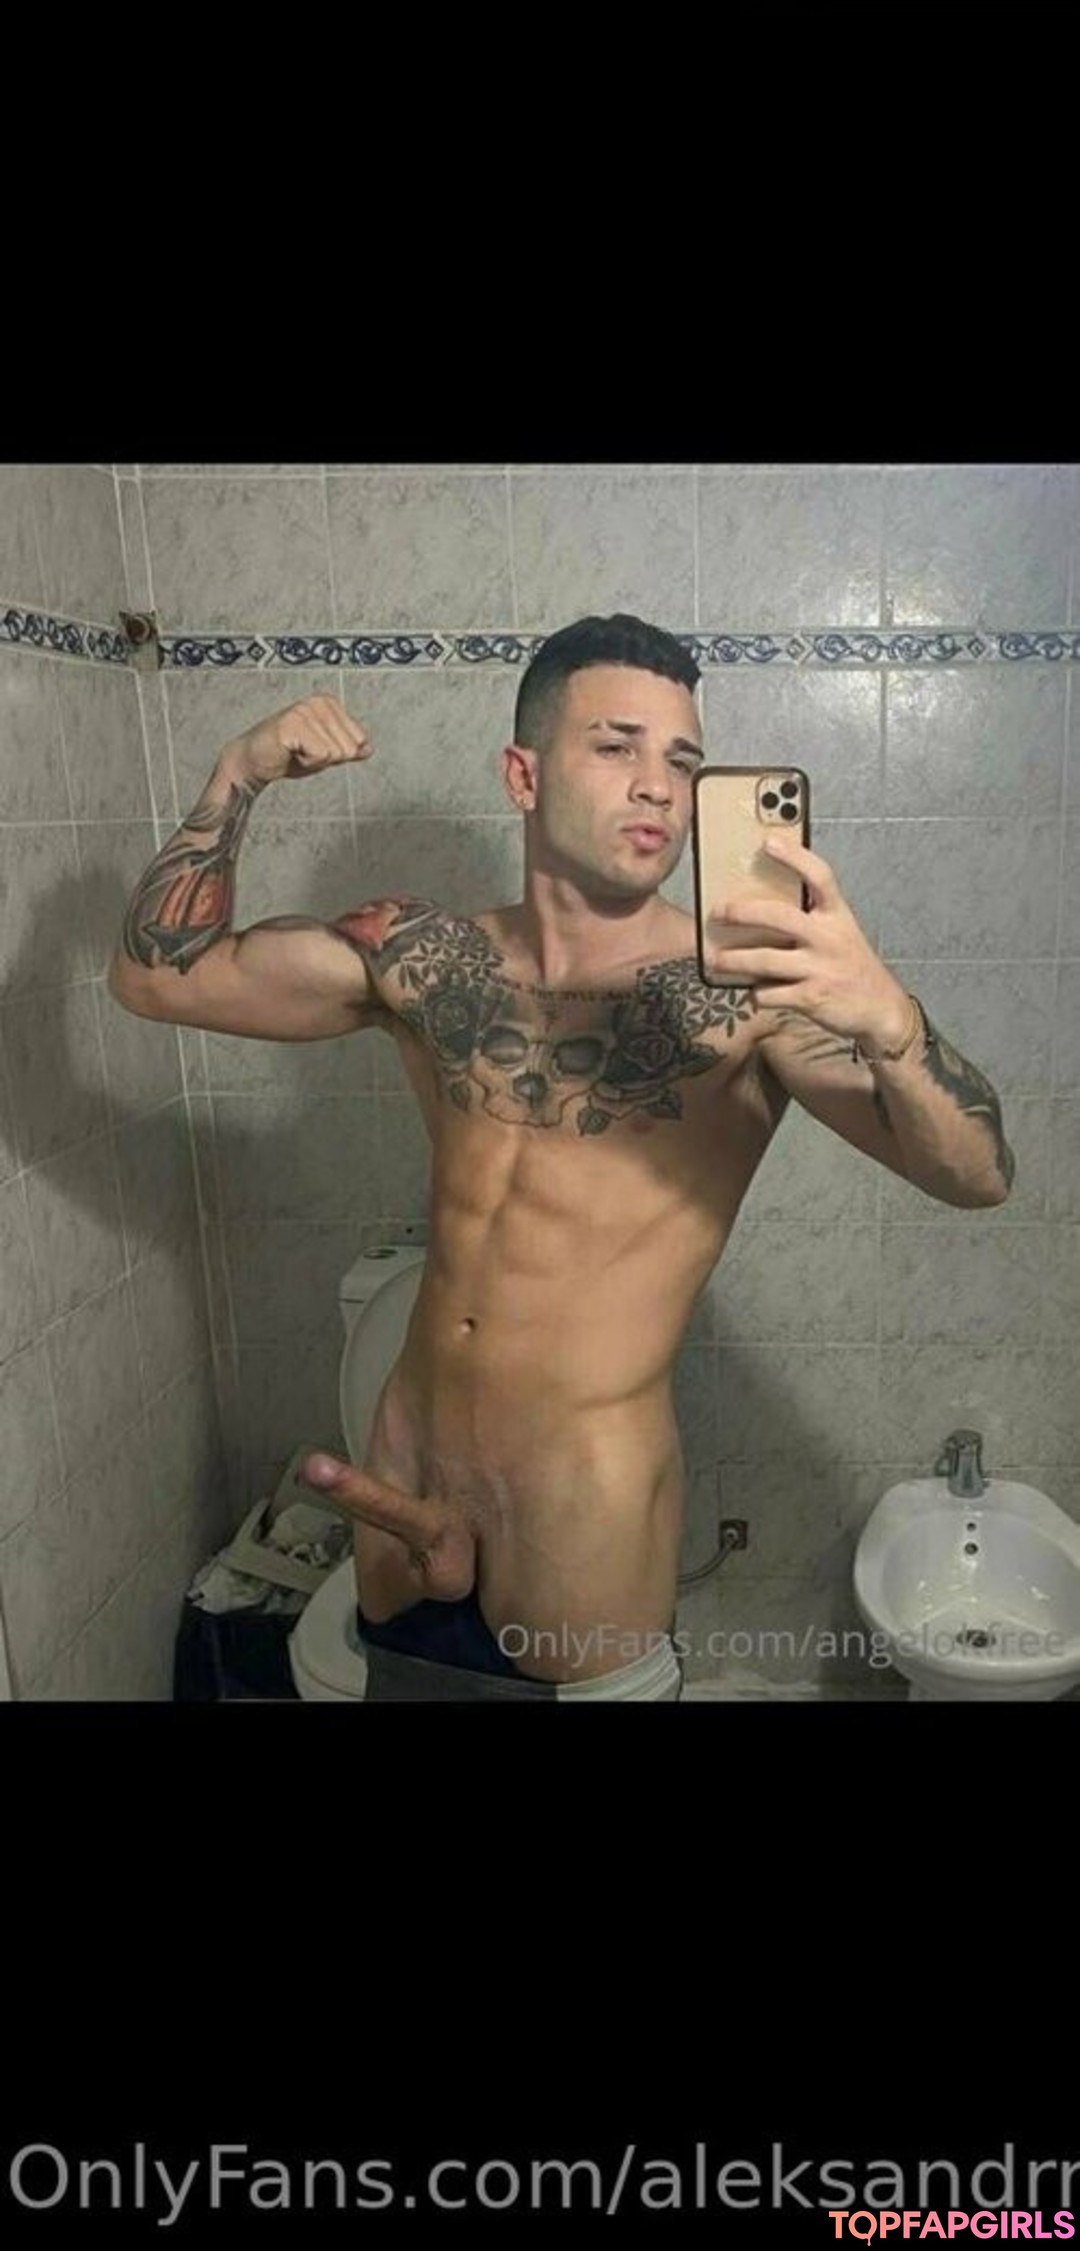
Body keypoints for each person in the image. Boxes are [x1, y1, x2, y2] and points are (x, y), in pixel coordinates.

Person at [107, 615, 1015, 1700]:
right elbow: (156, 978)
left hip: (582, 1511)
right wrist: (238, 772)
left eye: (682, 759)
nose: (659, 785)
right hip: (406, 1476)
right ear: (523, 775)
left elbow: (976, 1175)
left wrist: (890, 1020)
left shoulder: (748, 999)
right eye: (617, 745)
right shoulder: (427, 959)